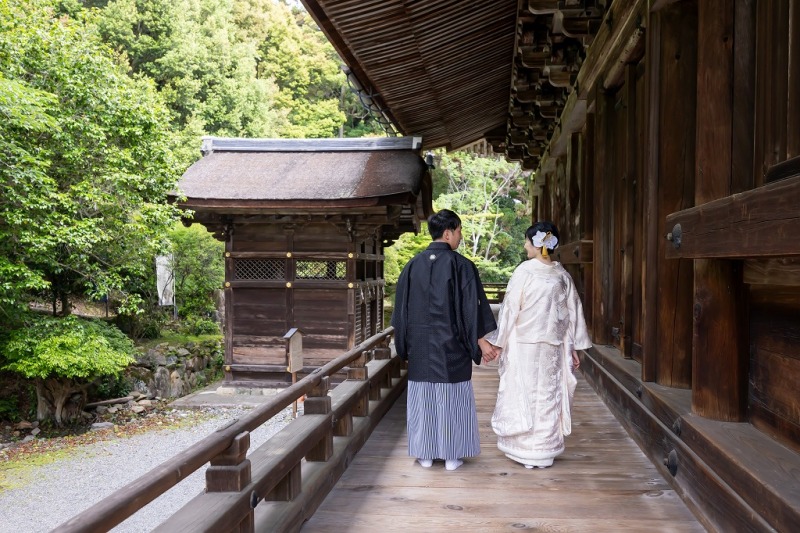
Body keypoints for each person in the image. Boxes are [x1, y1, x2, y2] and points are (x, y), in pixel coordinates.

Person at [391, 209, 498, 471]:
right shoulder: (462, 266)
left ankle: (425, 454)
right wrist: (480, 341)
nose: (460, 236)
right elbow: (471, 310)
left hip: (419, 346)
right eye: (459, 231)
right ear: (448, 232)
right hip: (452, 345)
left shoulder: (411, 266)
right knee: (451, 397)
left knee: (423, 397)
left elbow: (400, 313)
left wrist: (404, 346)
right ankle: (452, 456)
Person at [485, 221, 591, 469]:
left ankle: (524, 450)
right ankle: (543, 451)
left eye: (526, 241)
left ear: (537, 244)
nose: (524, 246)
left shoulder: (524, 272)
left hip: (525, 346)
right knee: (548, 396)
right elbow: (572, 314)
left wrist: (499, 343)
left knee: (524, 392)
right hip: (553, 347)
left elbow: (511, 310)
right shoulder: (562, 276)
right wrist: (573, 346)